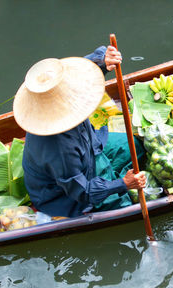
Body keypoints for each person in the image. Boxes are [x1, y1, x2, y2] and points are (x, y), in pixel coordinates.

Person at [13, 45, 147, 218]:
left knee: (135, 146)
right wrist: (122, 184)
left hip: (90, 147)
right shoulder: (60, 148)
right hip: (68, 194)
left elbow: (79, 72)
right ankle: (112, 184)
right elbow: (82, 191)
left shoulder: (63, 95)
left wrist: (101, 60)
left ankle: (110, 176)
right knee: (123, 206)